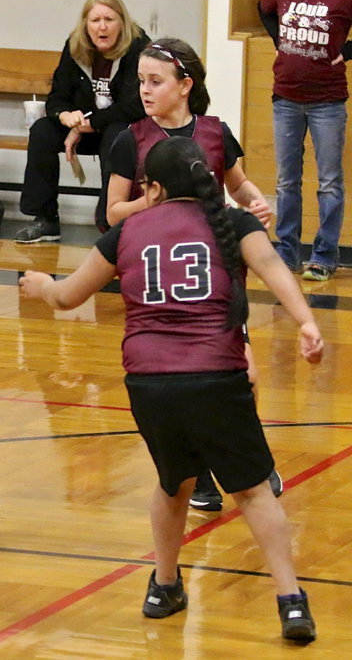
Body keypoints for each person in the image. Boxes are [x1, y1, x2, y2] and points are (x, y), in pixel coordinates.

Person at [20, 137, 321, 643]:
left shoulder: (128, 230)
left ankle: (163, 585)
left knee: (173, 482)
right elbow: (273, 271)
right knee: (250, 489)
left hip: (149, 382)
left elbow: (68, 296)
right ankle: (290, 600)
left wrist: (40, 283)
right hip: (216, 378)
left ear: (153, 188)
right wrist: (307, 323)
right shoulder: (234, 223)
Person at [106, 37, 280, 511]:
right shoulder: (131, 139)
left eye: (155, 81)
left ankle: (251, 459)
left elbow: (238, 185)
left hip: (214, 266)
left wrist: (258, 203)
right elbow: (114, 213)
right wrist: (157, 199)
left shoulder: (216, 133)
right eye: (140, 80)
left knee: (243, 369)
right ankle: (199, 475)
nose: (145, 89)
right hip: (160, 272)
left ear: (185, 86)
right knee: (182, 374)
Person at [14, 0, 149, 242]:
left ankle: (110, 223)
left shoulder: (138, 47)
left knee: (116, 134)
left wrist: (85, 126)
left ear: (122, 22)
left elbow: (134, 106)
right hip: (87, 126)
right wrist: (64, 116)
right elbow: (57, 96)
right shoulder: (75, 46)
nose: (102, 27)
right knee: (42, 130)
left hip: (120, 129)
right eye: (95, 21)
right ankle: (46, 220)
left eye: (109, 19)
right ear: (86, 24)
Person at [258, 0, 352, 281]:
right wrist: (279, 39)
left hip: (327, 101)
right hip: (286, 98)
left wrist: (347, 52)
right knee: (287, 182)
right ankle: (286, 253)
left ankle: (324, 256)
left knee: (329, 181)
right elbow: (262, 9)